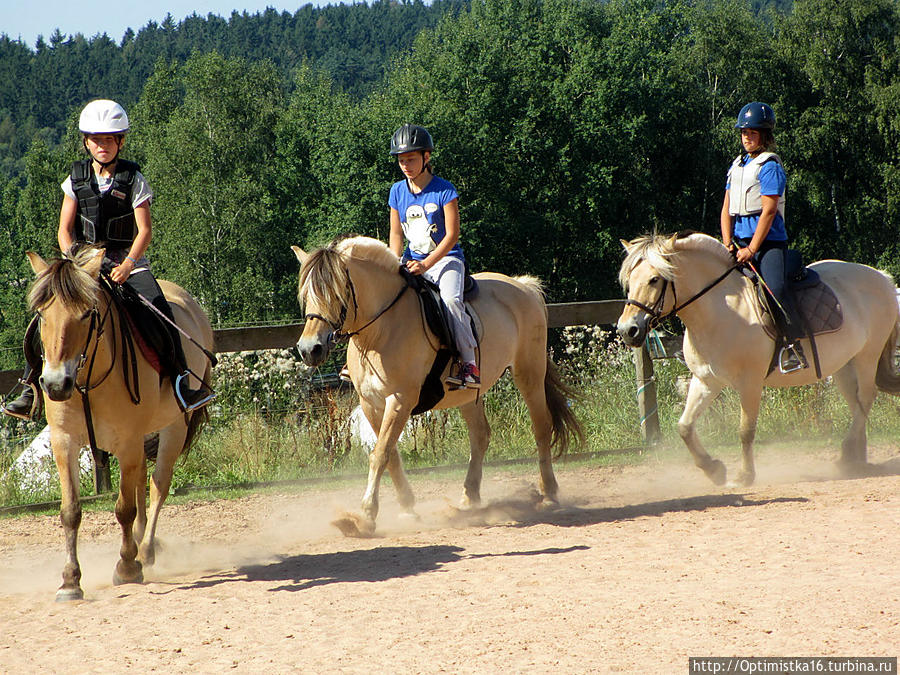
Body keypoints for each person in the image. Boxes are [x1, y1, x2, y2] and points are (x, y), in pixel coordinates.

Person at [2, 99, 214, 419]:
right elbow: (64, 229)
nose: (102, 146)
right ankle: (30, 385)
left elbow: (144, 231)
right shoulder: (74, 179)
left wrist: (128, 264)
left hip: (126, 261)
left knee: (158, 308)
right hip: (83, 263)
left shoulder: (134, 179)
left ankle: (183, 380)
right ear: (86, 142)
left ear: (120, 142)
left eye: (109, 139)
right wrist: (74, 262)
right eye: (96, 140)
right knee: (42, 318)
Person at [388, 123, 480, 388]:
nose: (406, 165)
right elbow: (396, 235)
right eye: (401, 160)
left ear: (426, 157)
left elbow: (452, 235)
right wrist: (394, 262)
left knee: (451, 301)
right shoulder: (396, 191)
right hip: (410, 260)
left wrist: (426, 263)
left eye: (411, 159)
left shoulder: (445, 190)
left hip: (445, 259)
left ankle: (469, 364)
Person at [721, 101, 807, 372]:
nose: (747, 136)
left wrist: (752, 249)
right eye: (744, 132)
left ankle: (792, 346)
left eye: (753, 132)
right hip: (738, 244)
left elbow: (769, 210)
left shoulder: (769, 166)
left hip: (767, 244)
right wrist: (727, 243)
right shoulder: (736, 166)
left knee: (775, 289)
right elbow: (726, 208)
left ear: (764, 135)